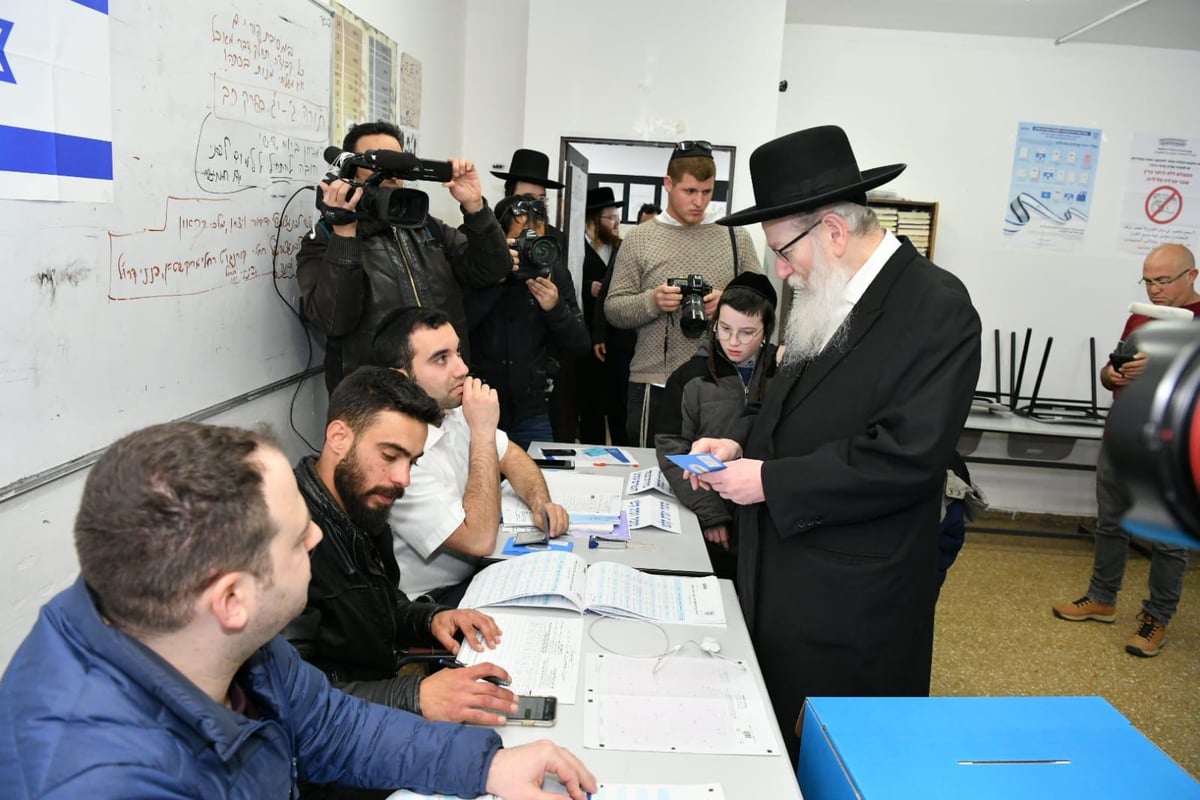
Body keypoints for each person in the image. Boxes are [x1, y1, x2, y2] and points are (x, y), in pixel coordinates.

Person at [0, 421, 596, 799]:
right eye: (296, 537)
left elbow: (334, 728)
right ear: (232, 599)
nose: (317, 539)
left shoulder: (211, 638)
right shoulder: (96, 779)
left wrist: (486, 769)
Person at [687, 126, 981, 762]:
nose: (783, 275)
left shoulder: (935, 306)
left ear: (834, 232)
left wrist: (770, 482)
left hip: (851, 604)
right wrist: (744, 452)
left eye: (784, 255)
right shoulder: (829, 295)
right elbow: (798, 417)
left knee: (834, 762)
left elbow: (904, 455)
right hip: (788, 582)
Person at [286, 366, 521, 735]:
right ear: (338, 437)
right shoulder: (283, 540)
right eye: (390, 455)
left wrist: (430, 620)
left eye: (411, 462)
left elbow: (381, 607)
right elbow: (288, 699)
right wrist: (413, 696)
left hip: (371, 714)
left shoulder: (364, 506)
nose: (403, 479)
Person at [1052, 243, 1199, 657]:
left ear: (1192, 275)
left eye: (1163, 281)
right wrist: (1114, 372)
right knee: (1110, 524)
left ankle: (1157, 618)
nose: (1154, 290)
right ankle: (1101, 598)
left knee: (1168, 537)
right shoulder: (1141, 316)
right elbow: (1109, 376)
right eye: (1148, 281)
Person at [371, 307, 570, 605]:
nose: (462, 369)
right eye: (441, 359)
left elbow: (512, 457)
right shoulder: (392, 455)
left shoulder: (451, 410)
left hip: (478, 573)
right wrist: (482, 432)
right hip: (432, 603)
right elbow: (478, 540)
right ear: (401, 377)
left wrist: (541, 502)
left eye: (458, 353)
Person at [297, 121, 512, 392]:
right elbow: (334, 320)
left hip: (442, 393)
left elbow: (494, 269)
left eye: (396, 164)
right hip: (376, 404)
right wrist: (345, 233)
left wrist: (475, 207)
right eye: (377, 163)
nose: (390, 174)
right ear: (350, 170)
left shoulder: (428, 228)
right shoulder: (326, 240)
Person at [605, 139, 760, 446]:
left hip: (720, 384)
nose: (699, 202)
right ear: (668, 184)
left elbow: (762, 304)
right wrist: (653, 301)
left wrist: (729, 304)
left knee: (714, 480)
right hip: (654, 383)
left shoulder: (735, 237)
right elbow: (614, 309)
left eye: (707, 192)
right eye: (689, 191)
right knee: (651, 475)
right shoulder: (639, 238)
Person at [655, 271, 780, 581]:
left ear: (767, 330)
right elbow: (672, 450)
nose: (733, 342)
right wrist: (711, 515)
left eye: (747, 332)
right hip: (713, 520)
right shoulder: (689, 378)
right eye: (724, 329)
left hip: (774, 518)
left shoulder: (785, 374)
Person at [465, 194, 590, 449]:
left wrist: (555, 308)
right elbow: (459, 326)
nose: (530, 248)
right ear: (500, 239)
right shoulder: (476, 269)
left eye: (538, 241)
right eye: (521, 240)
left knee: (538, 482)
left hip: (532, 411)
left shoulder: (556, 274)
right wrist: (497, 278)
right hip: (480, 406)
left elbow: (581, 344)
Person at [579, 186, 634, 445]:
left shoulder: (621, 248)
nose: (615, 224)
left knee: (616, 402)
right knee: (591, 402)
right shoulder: (576, 247)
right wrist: (586, 286)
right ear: (593, 220)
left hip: (616, 339)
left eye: (617, 218)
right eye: (610, 218)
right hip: (585, 336)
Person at [491, 147, 565, 202]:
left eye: (541, 199)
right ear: (509, 196)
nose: (535, 205)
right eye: (528, 198)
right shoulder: (493, 222)